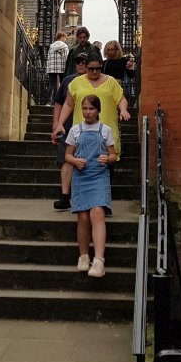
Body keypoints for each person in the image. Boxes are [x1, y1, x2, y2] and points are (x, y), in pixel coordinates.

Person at [56, 55, 129, 216]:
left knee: (106, 166)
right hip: (82, 131)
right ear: (85, 67)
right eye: (91, 69)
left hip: (105, 130)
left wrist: (123, 110)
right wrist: (60, 123)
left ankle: (104, 202)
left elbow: (121, 99)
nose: (95, 71)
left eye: (98, 68)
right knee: (81, 165)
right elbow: (68, 104)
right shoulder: (76, 83)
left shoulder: (111, 82)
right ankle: (81, 201)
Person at [66, 93, 115, 277]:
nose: (87, 112)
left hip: (99, 177)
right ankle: (84, 256)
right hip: (81, 177)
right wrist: (74, 161)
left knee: (97, 213)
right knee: (83, 218)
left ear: (98, 110)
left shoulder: (105, 130)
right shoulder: (75, 130)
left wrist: (107, 158)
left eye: (91, 108)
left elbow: (113, 155)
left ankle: (99, 261)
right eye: (85, 108)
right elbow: (67, 155)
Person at [51, 54, 89, 210]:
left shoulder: (95, 81)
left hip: (87, 127)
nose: (80, 64)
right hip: (67, 127)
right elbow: (59, 103)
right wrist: (55, 124)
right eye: (78, 62)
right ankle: (65, 196)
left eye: (84, 62)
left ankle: (85, 196)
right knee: (65, 160)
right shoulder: (67, 81)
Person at [45, 32, 69, 102]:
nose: (65, 39)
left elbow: (49, 57)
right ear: (61, 37)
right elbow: (66, 58)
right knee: (63, 84)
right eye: (65, 37)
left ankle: (48, 101)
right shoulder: (64, 46)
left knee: (51, 84)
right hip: (61, 67)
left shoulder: (51, 46)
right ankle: (63, 100)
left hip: (52, 68)